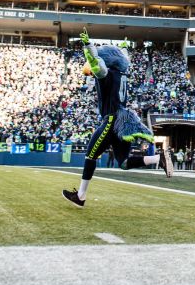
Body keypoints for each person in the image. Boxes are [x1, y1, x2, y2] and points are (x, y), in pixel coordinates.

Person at [63, 34, 172, 207]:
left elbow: (95, 63)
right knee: (124, 162)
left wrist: (88, 45)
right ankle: (158, 159)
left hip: (112, 120)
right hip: (123, 120)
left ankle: (81, 196)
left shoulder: (106, 73)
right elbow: (114, 59)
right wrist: (123, 49)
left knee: (90, 155)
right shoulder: (122, 73)